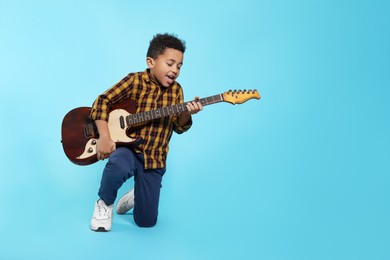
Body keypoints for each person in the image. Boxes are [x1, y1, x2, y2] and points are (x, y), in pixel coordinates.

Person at [89, 33, 203, 232]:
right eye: (170, 63)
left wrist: (185, 113)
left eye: (179, 66)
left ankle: (137, 193)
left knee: (146, 222)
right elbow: (102, 101)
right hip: (129, 150)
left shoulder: (177, 91)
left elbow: (179, 126)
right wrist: (105, 136)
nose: (175, 70)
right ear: (151, 61)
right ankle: (104, 204)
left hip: (155, 158)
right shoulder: (135, 81)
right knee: (118, 163)